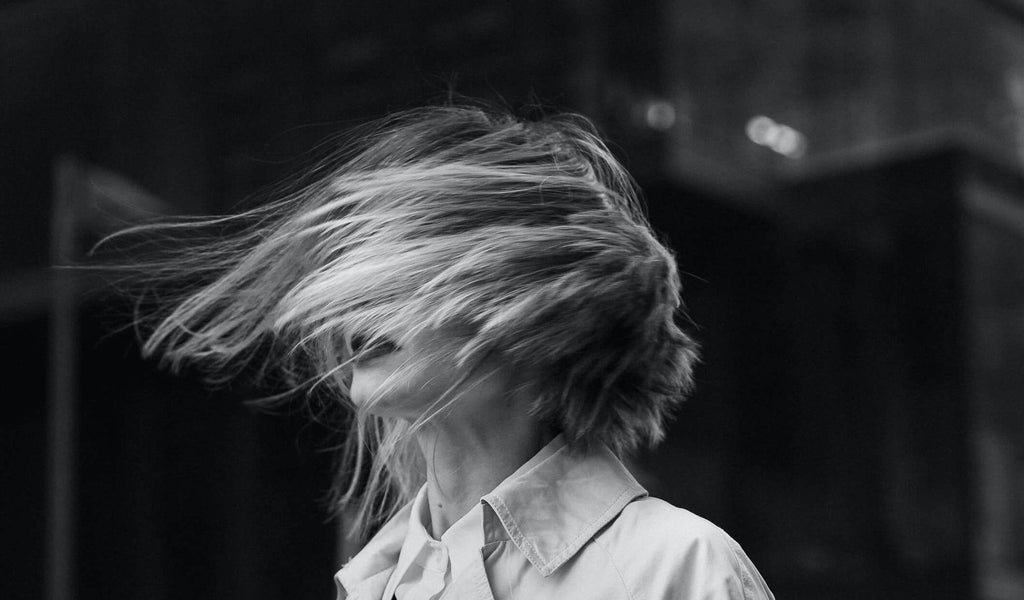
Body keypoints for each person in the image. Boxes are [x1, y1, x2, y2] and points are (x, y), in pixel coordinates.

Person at [114, 104, 775, 599]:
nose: (350, 307)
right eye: (352, 267)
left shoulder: (673, 570)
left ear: (530, 300)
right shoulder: (377, 584)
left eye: (399, 272)